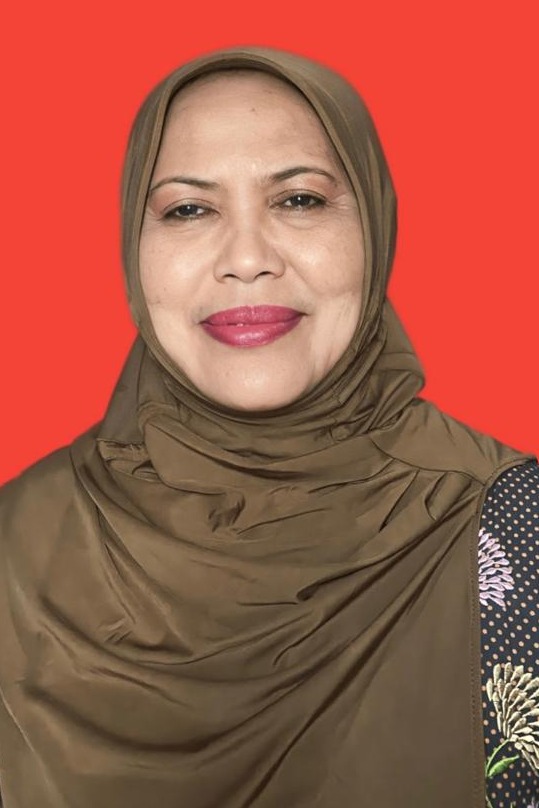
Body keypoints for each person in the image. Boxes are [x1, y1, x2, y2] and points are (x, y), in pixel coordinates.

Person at [0, 46, 537, 808]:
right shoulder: (15, 547)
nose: (247, 259)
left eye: (299, 200)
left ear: (374, 225)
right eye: (189, 210)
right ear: (133, 249)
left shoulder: (515, 533)